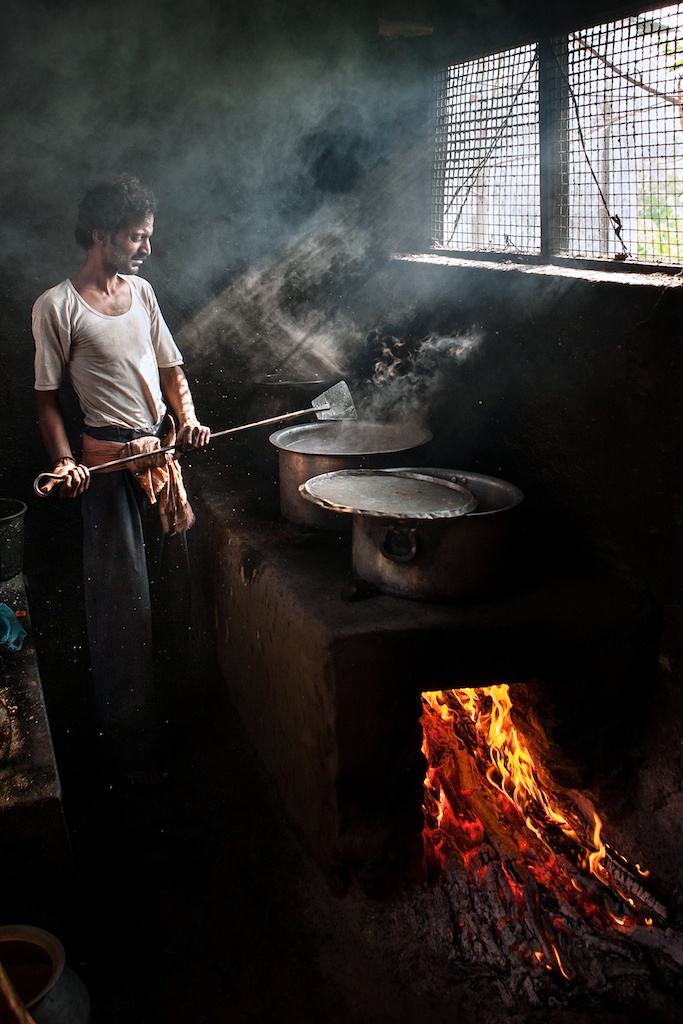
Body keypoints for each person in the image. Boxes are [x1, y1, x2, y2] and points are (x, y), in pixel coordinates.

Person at [32, 173, 211, 783]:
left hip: (161, 466)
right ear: (101, 234)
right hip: (106, 476)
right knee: (121, 611)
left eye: (148, 237)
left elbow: (172, 369)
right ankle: (131, 753)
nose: (146, 249)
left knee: (174, 593)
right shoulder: (55, 307)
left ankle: (178, 725)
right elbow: (48, 402)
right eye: (137, 237)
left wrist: (186, 421)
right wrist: (65, 463)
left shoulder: (143, 293)